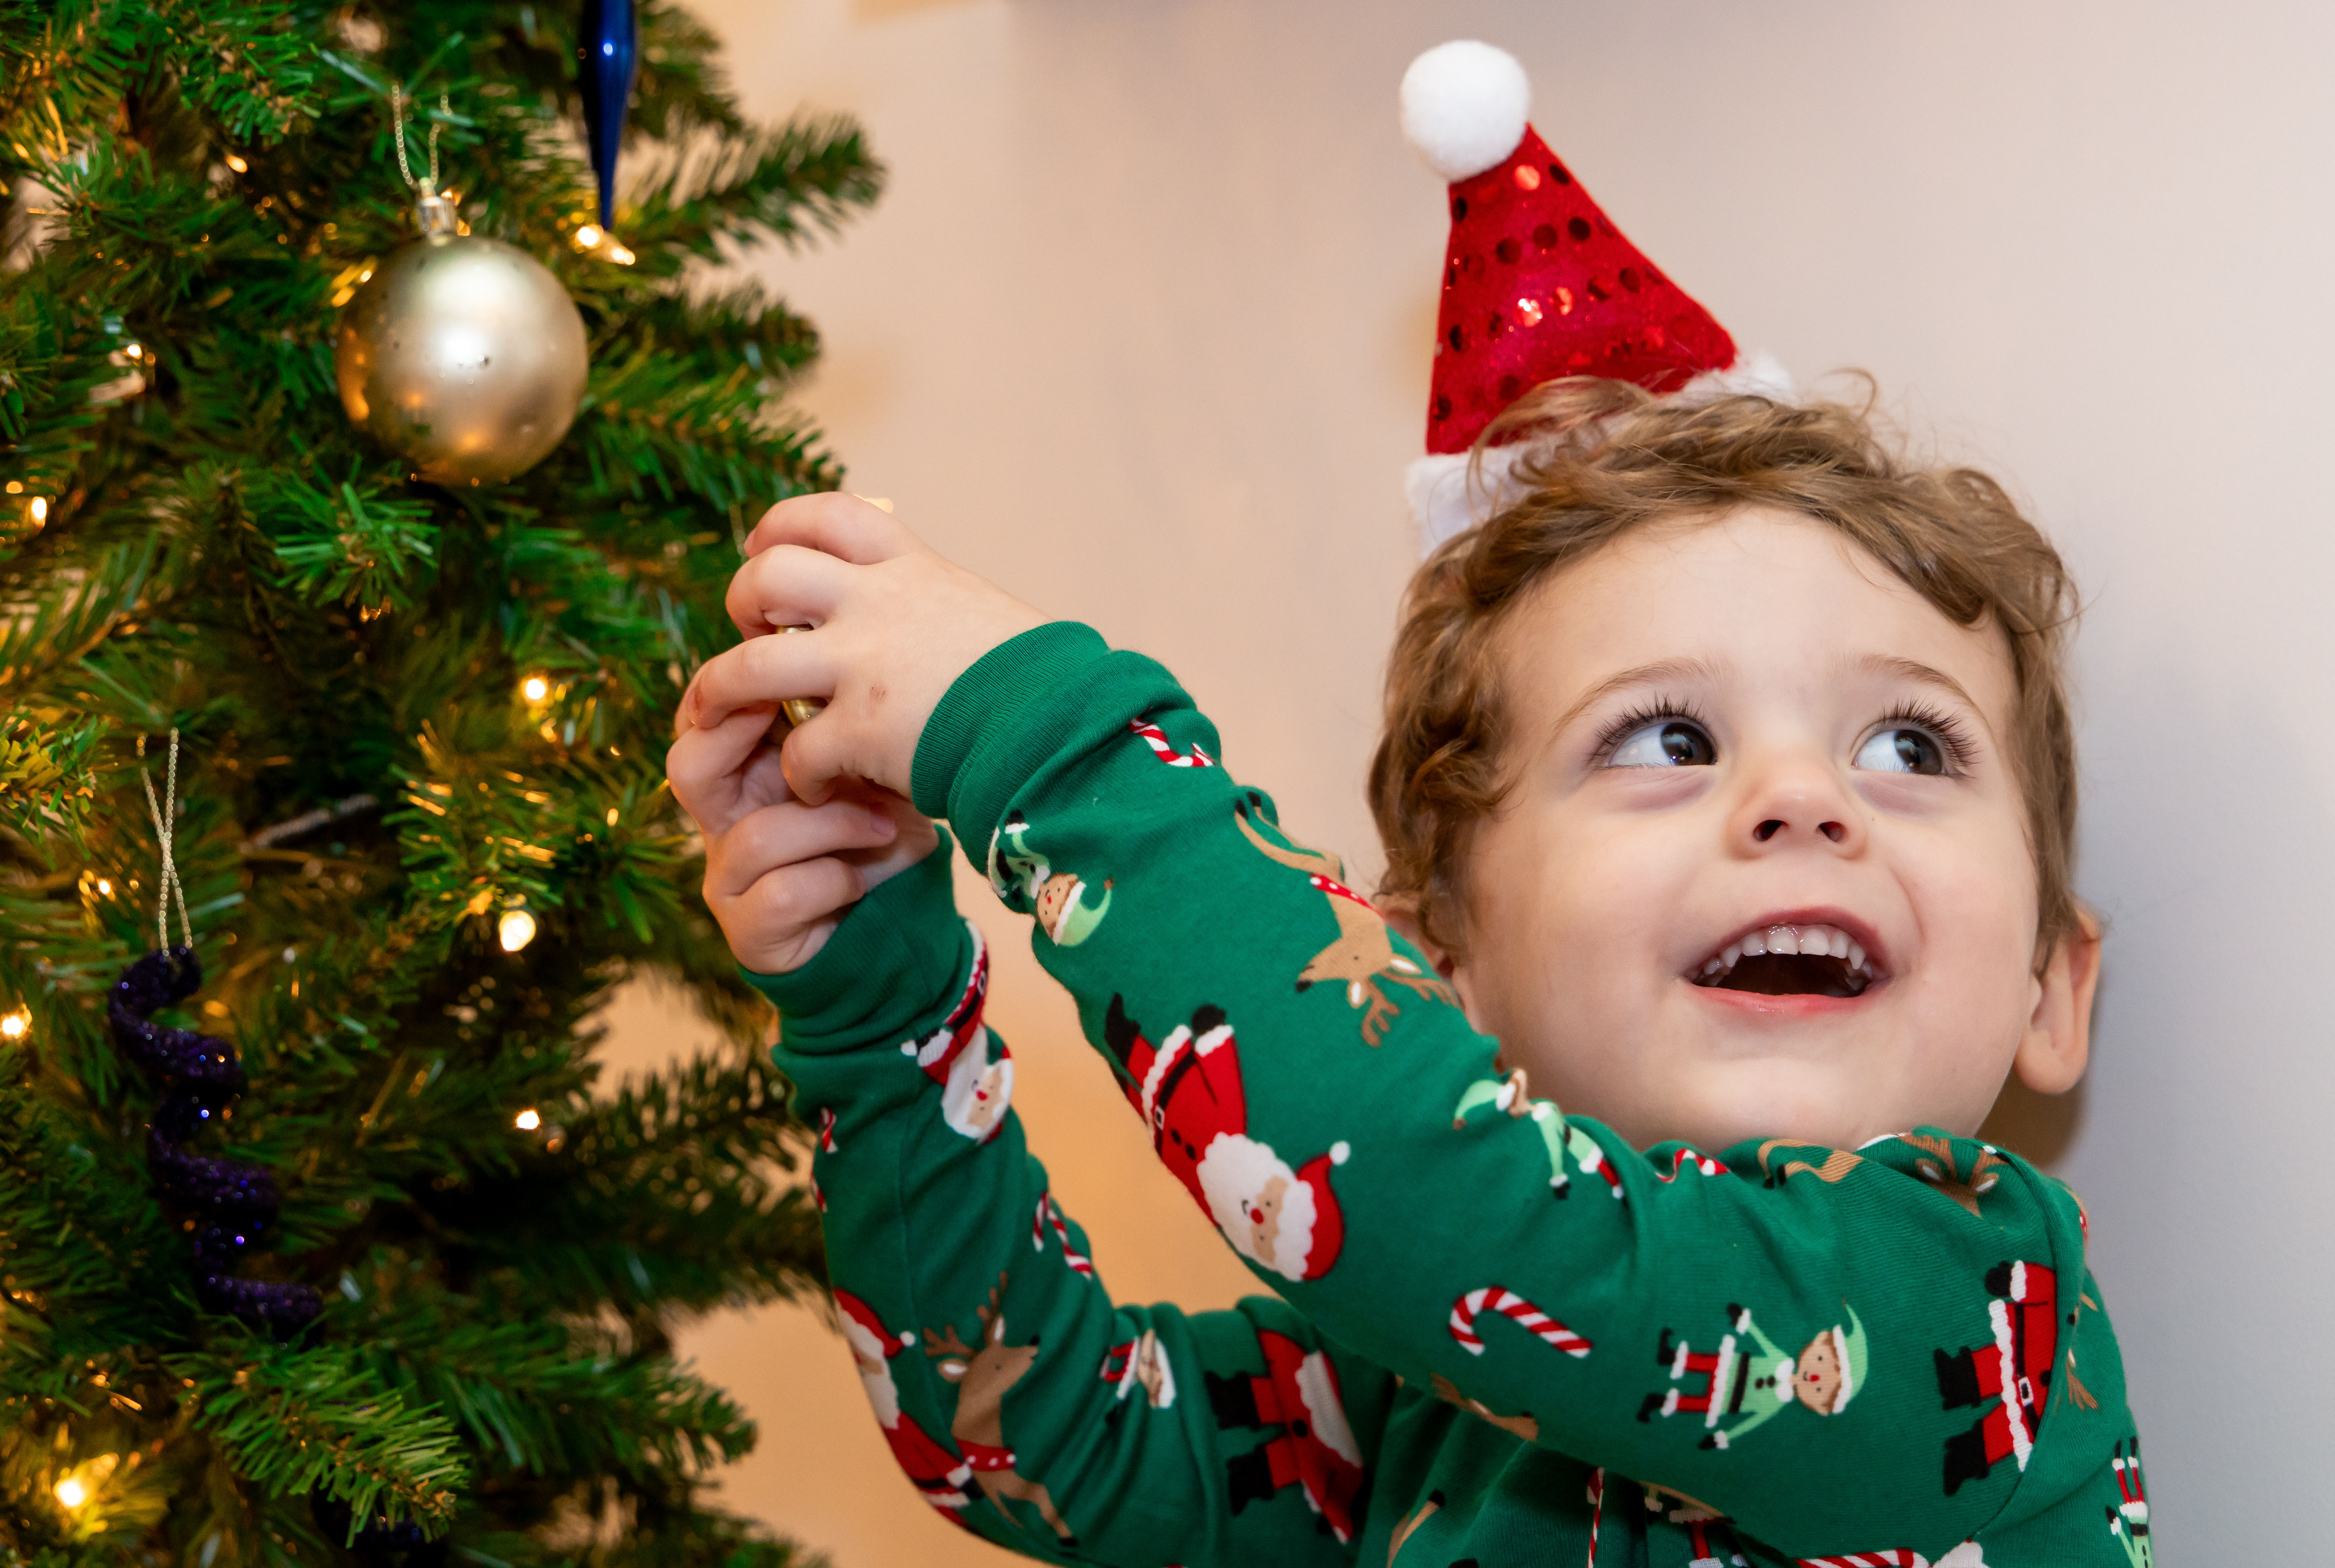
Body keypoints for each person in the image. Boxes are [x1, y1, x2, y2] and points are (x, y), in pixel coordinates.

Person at [664, 42, 2146, 1568]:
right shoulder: (1432, 1374)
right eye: (1668, 737)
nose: (1799, 799)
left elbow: (1429, 1195)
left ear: (2054, 985)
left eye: (1911, 747)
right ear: (1438, 964)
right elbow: (1039, 1444)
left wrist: (1041, 740)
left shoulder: (1973, 1311)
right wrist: (880, 1001)